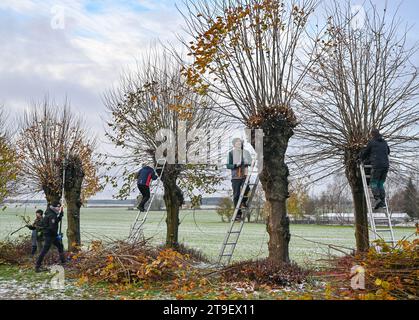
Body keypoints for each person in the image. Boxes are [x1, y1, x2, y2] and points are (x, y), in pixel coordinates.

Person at [360, 129, 390, 210]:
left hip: (377, 166)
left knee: (373, 183)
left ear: (372, 135)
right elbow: (388, 152)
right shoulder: (384, 142)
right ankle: (383, 201)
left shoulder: (371, 142)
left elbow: (366, 152)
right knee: (380, 184)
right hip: (386, 166)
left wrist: (360, 158)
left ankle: (377, 199)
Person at [35, 201, 66, 272]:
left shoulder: (51, 213)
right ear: (54, 207)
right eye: (58, 207)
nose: (59, 208)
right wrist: (57, 235)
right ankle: (37, 266)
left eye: (60, 207)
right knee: (44, 250)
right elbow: (52, 227)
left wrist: (60, 215)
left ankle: (63, 262)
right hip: (50, 236)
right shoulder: (52, 215)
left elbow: (55, 222)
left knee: (60, 246)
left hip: (52, 235)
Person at [226, 138, 252, 221]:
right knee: (236, 195)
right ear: (234, 144)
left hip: (245, 175)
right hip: (235, 176)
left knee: (247, 188)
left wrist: (248, 161)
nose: (239, 144)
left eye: (240, 143)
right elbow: (228, 165)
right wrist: (235, 165)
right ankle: (238, 215)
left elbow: (250, 161)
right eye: (237, 143)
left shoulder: (246, 152)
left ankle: (243, 202)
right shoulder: (230, 153)